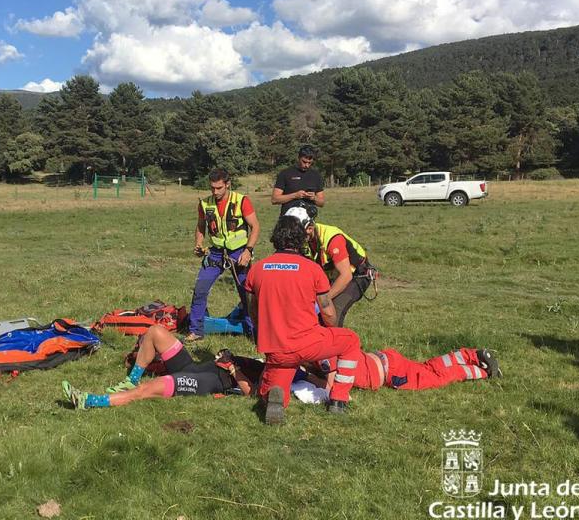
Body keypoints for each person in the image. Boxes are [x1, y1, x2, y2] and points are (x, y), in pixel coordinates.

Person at [244, 216, 364, 423]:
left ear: (275, 239)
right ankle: (338, 400)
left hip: (275, 349)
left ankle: (274, 398)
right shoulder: (312, 269)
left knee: (272, 389)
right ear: (301, 240)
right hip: (308, 344)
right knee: (350, 340)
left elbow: (253, 311)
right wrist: (331, 331)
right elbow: (327, 311)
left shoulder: (257, 269)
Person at [61, 324, 261, 409]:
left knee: (147, 389)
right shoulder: (267, 362)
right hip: (193, 367)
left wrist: (233, 368)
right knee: (156, 331)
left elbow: (252, 393)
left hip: (204, 382)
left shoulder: (270, 375)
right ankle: (131, 380)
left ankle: (89, 401)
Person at [189, 168, 260, 342]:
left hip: (239, 252)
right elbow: (201, 226)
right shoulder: (205, 204)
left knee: (247, 294)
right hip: (215, 253)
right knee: (200, 290)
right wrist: (198, 244)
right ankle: (196, 330)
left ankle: (255, 333)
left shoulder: (242, 201)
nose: (215, 192)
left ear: (228, 184)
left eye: (219, 188)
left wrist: (248, 251)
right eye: (212, 188)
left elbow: (256, 227)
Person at [285, 206, 374, 328]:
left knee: (332, 312)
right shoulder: (303, 239)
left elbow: (346, 275)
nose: (293, 238)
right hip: (331, 274)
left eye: (296, 234)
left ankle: (337, 343)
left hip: (356, 275)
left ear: (310, 228)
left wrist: (322, 300)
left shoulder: (332, 238)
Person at [304, 347, 502, 393]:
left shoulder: (323, 359)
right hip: (386, 360)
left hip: (392, 373)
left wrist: (308, 378)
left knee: (438, 378)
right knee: (429, 367)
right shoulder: (324, 347)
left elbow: (333, 390)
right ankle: (474, 354)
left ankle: (485, 372)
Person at [272, 145, 326, 215]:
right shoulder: (285, 174)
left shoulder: (316, 176)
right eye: (304, 162)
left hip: (308, 220)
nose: (306, 165)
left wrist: (314, 198)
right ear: (299, 158)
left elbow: (321, 203)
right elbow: (274, 199)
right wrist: (294, 195)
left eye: (309, 163)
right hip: (288, 219)